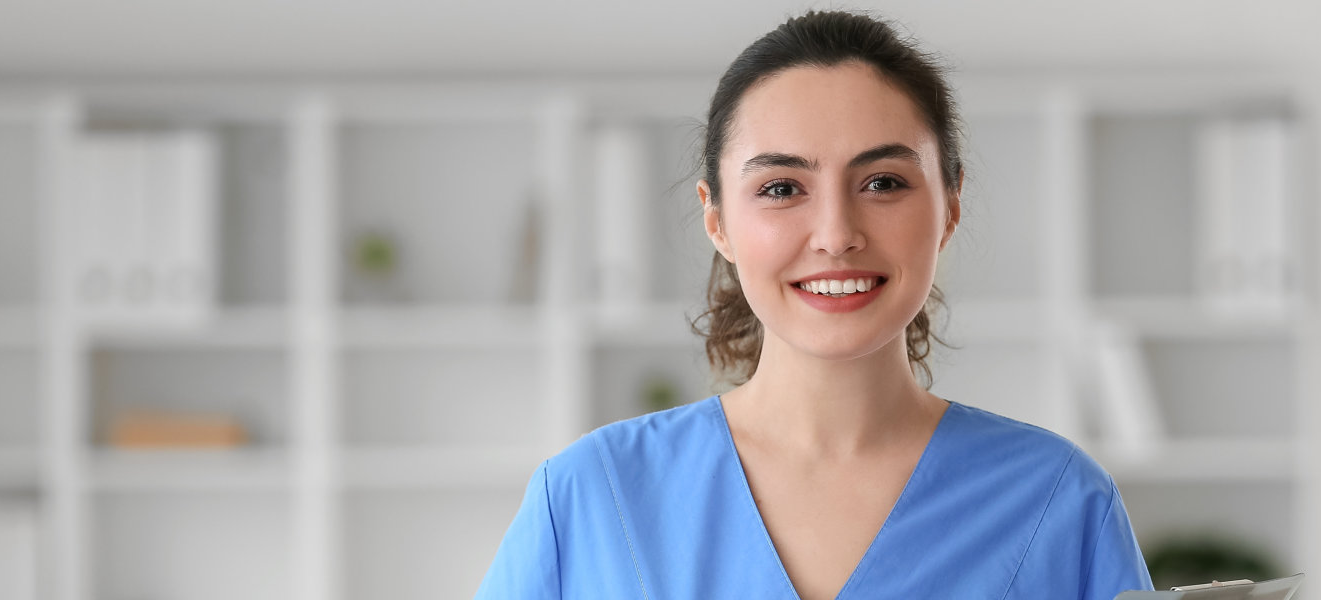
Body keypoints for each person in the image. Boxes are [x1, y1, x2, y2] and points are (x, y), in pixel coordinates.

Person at [474, 10, 1153, 600]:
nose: (835, 234)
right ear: (716, 220)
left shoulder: (1058, 503)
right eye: (780, 188)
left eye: (883, 181)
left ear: (949, 205)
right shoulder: (592, 497)